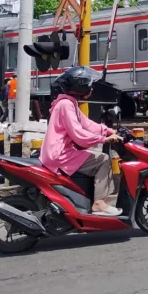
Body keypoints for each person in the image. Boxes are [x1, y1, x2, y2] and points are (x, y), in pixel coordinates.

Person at [39, 66, 122, 216]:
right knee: (103, 160)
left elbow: (87, 124)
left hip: (58, 152)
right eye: (88, 84)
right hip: (59, 154)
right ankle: (99, 203)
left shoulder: (68, 103)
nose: (91, 88)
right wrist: (104, 139)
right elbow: (79, 134)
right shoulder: (66, 105)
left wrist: (108, 130)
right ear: (80, 86)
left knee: (96, 157)